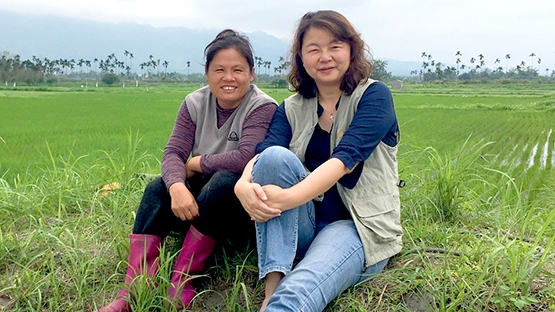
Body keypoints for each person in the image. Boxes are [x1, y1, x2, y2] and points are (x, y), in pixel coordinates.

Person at [234, 10, 403, 312]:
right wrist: (242, 185)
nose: (325, 56)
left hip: (355, 226)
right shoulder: (292, 107)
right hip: (305, 225)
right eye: (314, 49)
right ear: (301, 57)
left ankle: (279, 302)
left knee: (296, 295)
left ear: (352, 50)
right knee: (274, 158)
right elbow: (263, 154)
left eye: (335, 46)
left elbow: (344, 160)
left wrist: (287, 198)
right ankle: (271, 290)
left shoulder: (374, 96)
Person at [99, 29, 278, 312]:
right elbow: (173, 153)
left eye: (237, 70)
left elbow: (246, 157)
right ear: (207, 73)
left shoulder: (262, 106)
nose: (228, 78)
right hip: (197, 207)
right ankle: (134, 287)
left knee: (223, 181)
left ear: (252, 74)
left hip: (238, 211)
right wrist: (176, 186)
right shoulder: (194, 103)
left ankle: (183, 281)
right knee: (157, 187)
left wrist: (195, 163)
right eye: (219, 69)